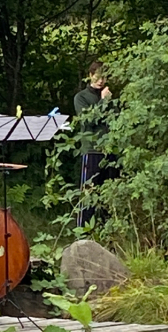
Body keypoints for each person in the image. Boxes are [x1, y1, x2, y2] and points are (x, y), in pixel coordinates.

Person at [72, 61, 117, 228]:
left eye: (104, 77)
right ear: (91, 76)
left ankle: (108, 233)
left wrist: (108, 101)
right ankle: (82, 233)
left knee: (108, 195)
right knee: (89, 194)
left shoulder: (109, 96)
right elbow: (88, 121)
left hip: (110, 151)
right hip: (92, 151)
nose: (101, 81)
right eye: (98, 77)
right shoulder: (81, 97)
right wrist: (103, 102)